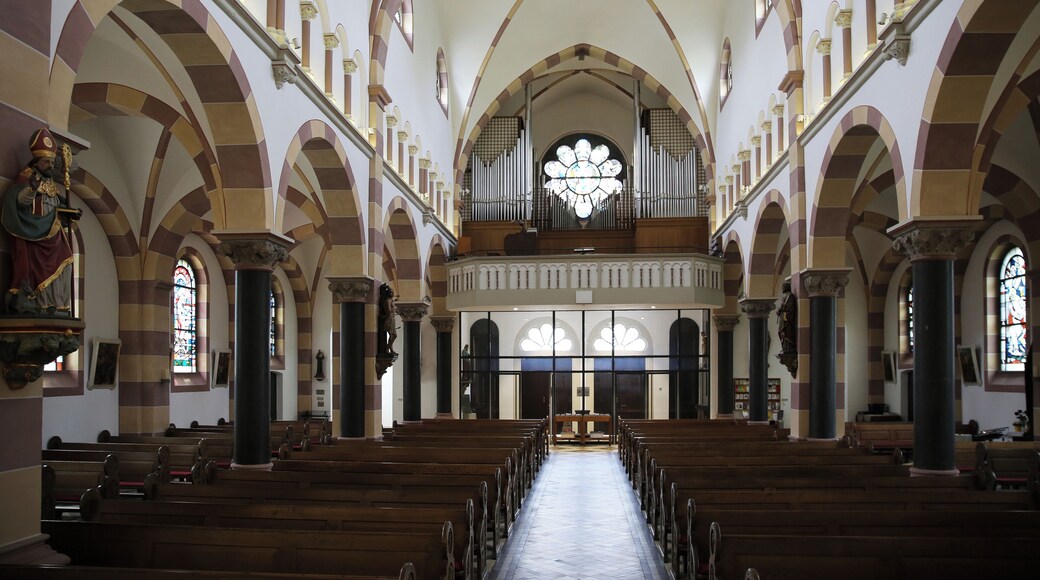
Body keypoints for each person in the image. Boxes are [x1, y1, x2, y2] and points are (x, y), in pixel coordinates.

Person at [1, 128, 78, 315]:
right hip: (36, 234)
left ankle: (59, 305)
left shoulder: (50, 182)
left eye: (52, 162)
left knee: (67, 264)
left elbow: (57, 204)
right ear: (36, 162)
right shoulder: (27, 177)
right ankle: (43, 304)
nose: (50, 165)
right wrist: (32, 189)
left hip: (55, 234)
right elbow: (20, 202)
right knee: (42, 270)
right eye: (46, 162)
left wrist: (69, 212)